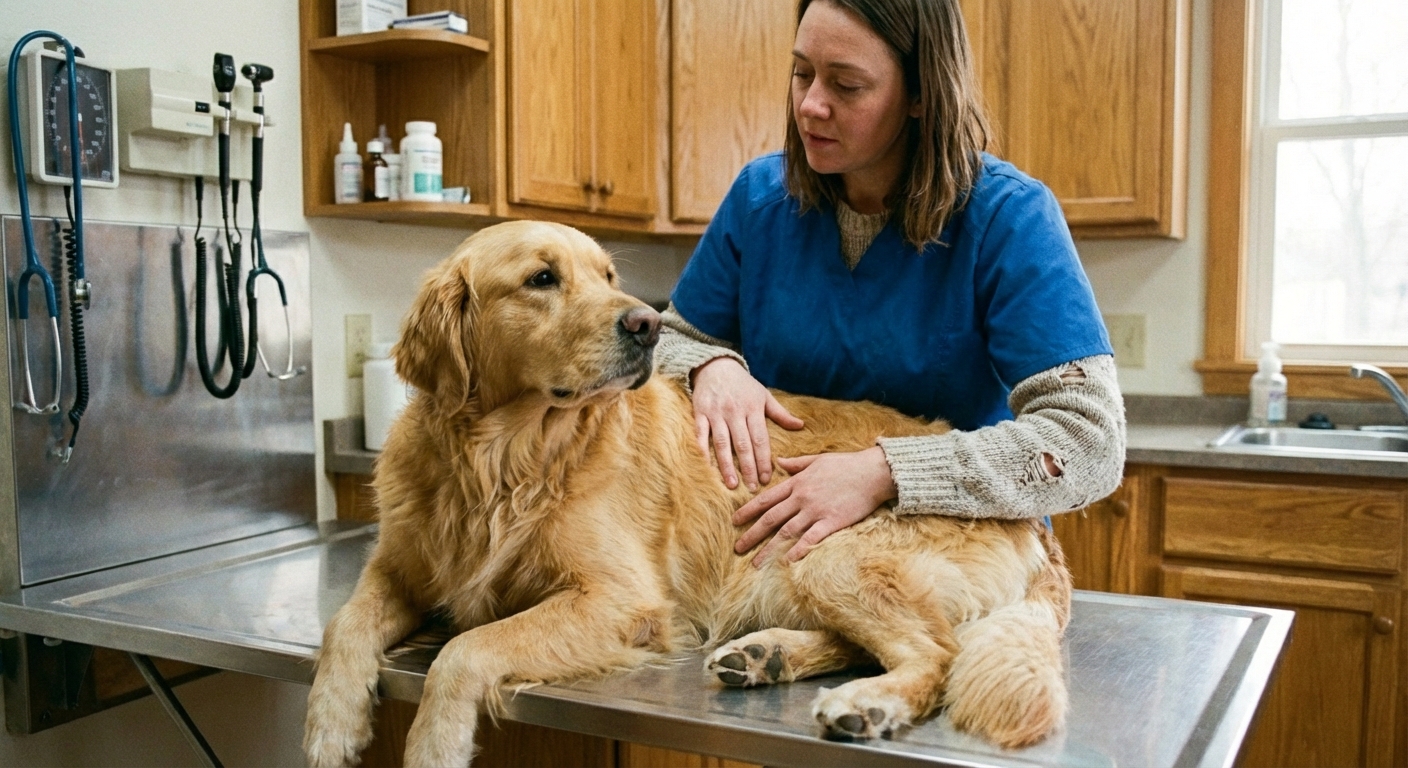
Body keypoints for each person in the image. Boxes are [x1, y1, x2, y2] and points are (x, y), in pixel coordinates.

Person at [654, 0, 1126, 568]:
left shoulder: (1009, 216)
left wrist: (884, 473)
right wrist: (710, 366)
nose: (810, 105)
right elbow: (663, 342)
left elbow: (1089, 443)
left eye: (846, 85)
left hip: (955, 556)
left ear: (922, 95)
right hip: (782, 562)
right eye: (801, 72)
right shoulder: (759, 199)